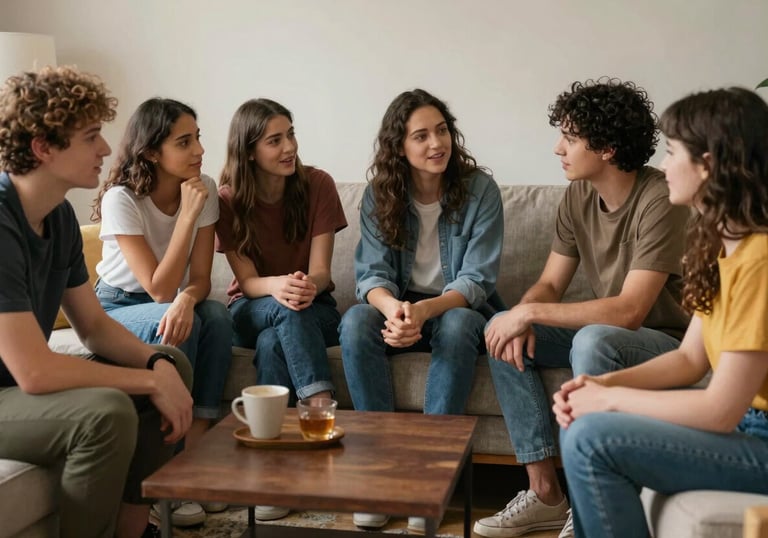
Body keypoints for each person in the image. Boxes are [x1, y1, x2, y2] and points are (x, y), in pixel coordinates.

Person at [474, 79, 691, 538]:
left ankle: (592, 496)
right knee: (500, 326)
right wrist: (522, 314)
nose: (558, 148)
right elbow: (551, 283)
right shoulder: (577, 197)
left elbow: (631, 310)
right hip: (610, 335)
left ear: (608, 148)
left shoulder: (660, 199)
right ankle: (546, 494)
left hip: (666, 345)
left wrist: (530, 314)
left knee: (593, 337)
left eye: (570, 138)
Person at [555, 87, 768, 538]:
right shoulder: (721, 247)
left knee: (591, 440)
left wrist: (609, 400)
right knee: (588, 427)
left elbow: (719, 411)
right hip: (751, 429)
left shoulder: (760, 259)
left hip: (760, 439)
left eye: (673, 152)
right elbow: (689, 360)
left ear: (709, 164)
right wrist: (600, 383)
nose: (664, 165)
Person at [0, 66, 194, 538]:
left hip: (18, 388)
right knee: (106, 412)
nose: (106, 149)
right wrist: (145, 383)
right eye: (90, 137)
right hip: (11, 388)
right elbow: (36, 371)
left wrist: (154, 364)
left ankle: (133, 531)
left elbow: (94, 326)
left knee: (169, 362)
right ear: (43, 148)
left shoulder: (59, 216)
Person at [339, 88, 504, 533]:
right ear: (400, 147)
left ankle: (428, 477)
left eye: (442, 130)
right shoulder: (380, 195)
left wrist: (424, 311)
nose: (437, 144)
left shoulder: (480, 190)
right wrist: (396, 311)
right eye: (421, 136)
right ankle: (378, 472)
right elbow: (370, 276)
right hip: (404, 306)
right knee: (355, 322)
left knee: (461, 323)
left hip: (452, 309)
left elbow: (478, 280)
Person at [92, 98, 234, 527]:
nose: (199, 151)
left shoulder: (203, 186)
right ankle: (165, 480)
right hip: (117, 306)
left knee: (217, 316)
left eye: (198, 138)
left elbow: (201, 279)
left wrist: (188, 300)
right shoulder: (122, 198)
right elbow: (157, 287)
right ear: (152, 151)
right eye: (184, 142)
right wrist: (187, 216)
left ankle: (196, 459)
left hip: (170, 299)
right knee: (169, 320)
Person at [215, 98, 347, 521]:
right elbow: (249, 283)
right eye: (275, 140)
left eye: (290, 134)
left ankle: (271, 473)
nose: (289, 146)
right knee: (279, 315)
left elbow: (323, 272)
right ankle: (318, 417)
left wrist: (305, 286)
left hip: (315, 307)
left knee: (278, 337)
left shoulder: (318, 184)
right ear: (249, 150)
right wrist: (279, 287)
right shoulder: (228, 200)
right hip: (250, 309)